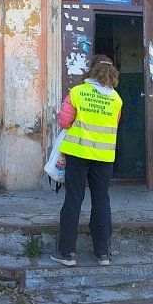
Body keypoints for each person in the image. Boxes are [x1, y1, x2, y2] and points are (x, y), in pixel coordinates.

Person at [50, 54, 122, 267]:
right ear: (112, 74)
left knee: (73, 199)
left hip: (78, 154)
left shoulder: (77, 92)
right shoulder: (116, 99)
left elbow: (64, 122)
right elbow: (114, 124)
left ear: (91, 70)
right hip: (104, 156)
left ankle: (67, 253)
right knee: (101, 200)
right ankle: (103, 254)